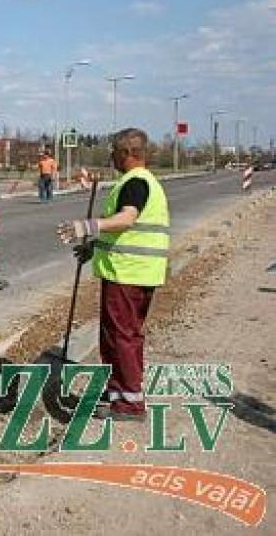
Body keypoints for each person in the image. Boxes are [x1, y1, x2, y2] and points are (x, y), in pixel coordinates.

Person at [57, 128, 169, 421]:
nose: (111, 157)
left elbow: (127, 219)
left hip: (128, 274)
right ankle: (118, 391)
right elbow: (123, 230)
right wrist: (94, 246)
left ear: (127, 153)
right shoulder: (139, 182)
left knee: (122, 336)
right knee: (116, 335)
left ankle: (130, 402)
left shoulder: (135, 183)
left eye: (114, 152)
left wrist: (87, 227)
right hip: (132, 272)